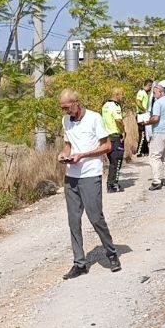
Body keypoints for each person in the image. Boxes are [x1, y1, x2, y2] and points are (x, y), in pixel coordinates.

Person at [58, 89, 120, 279]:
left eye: (68, 107)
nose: (66, 112)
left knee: (95, 218)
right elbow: (69, 144)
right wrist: (64, 154)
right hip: (72, 176)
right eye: (63, 109)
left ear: (77, 102)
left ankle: (111, 254)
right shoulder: (66, 122)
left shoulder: (94, 118)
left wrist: (83, 155)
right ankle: (79, 263)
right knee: (73, 221)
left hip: (90, 174)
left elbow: (107, 146)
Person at [101, 88, 126, 193]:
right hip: (115, 136)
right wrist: (123, 131)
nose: (123, 98)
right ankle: (112, 185)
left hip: (106, 136)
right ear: (117, 95)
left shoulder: (105, 105)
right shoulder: (115, 106)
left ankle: (110, 183)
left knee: (112, 161)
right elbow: (118, 120)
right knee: (117, 161)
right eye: (122, 95)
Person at [135, 80, 153, 157]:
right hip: (141, 115)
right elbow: (138, 102)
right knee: (142, 134)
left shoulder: (145, 93)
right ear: (149, 85)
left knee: (146, 133)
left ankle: (145, 150)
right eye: (151, 86)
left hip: (144, 115)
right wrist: (144, 110)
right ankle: (139, 151)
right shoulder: (141, 92)